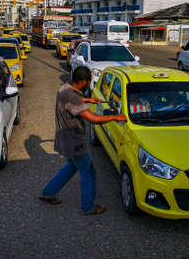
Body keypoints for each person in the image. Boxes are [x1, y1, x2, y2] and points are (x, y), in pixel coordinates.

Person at [39, 66, 126, 215]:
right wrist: (114, 117)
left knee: (71, 168)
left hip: (66, 140)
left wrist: (86, 100)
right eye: (89, 80)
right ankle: (88, 206)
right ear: (83, 81)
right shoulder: (73, 98)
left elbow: (70, 101)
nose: (90, 83)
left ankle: (48, 192)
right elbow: (93, 119)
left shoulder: (65, 88)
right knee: (88, 172)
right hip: (75, 143)